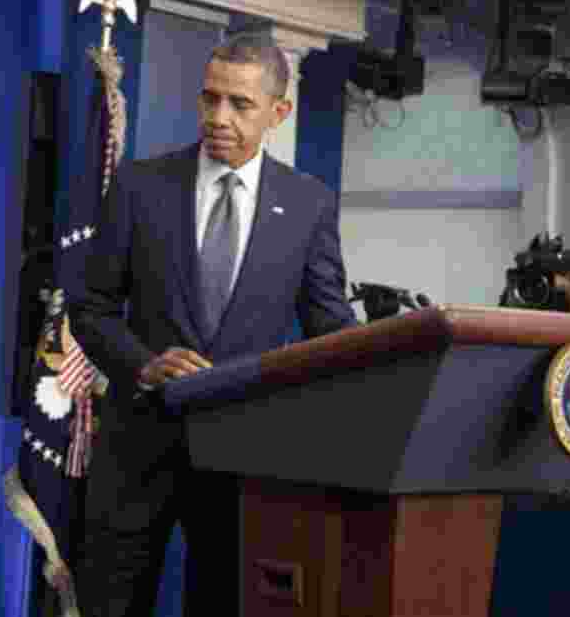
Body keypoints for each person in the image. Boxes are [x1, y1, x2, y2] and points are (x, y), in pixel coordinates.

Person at [68, 32, 357, 616]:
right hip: (136, 450)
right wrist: (144, 364)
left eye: (241, 104)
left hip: (243, 455)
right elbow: (91, 307)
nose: (219, 117)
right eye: (210, 98)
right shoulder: (139, 186)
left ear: (280, 112)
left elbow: (330, 326)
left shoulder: (309, 204)